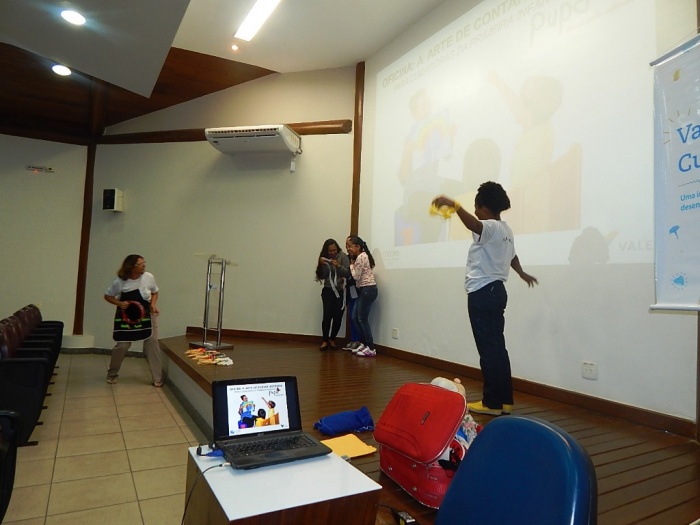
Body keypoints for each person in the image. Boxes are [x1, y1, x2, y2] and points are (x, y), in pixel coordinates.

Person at [432, 182, 538, 415]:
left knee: (488, 350)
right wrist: (521, 273)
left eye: (476, 207)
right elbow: (512, 256)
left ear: (485, 207)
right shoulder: (506, 230)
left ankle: (491, 403)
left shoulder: (489, 226)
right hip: (497, 291)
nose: (475, 211)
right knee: (498, 348)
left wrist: (454, 204)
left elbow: (475, 224)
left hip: (482, 292)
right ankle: (504, 401)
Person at [103, 254, 164, 387]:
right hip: (126, 317)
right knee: (122, 346)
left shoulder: (148, 277)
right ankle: (112, 374)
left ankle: (157, 378)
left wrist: (153, 304)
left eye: (143, 263)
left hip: (147, 315)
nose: (144, 266)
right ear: (131, 267)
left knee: (152, 343)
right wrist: (120, 303)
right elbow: (108, 296)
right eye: (140, 264)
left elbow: (155, 292)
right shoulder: (119, 282)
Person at [346, 236, 379, 357]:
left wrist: (351, 265)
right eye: (347, 246)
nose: (348, 248)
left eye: (350, 246)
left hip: (368, 289)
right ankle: (364, 344)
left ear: (358, 246)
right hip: (364, 290)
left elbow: (356, 276)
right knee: (355, 317)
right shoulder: (362, 256)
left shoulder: (361, 257)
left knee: (362, 319)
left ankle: (371, 347)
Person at [315, 239, 351, 351]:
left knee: (338, 316)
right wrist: (321, 265)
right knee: (327, 315)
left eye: (334, 250)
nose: (332, 253)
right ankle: (325, 340)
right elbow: (321, 276)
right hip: (328, 290)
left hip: (341, 291)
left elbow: (348, 273)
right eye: (330, 251)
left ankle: (332, 339)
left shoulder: (343, 257)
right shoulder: (324, 258)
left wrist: (338, 266)